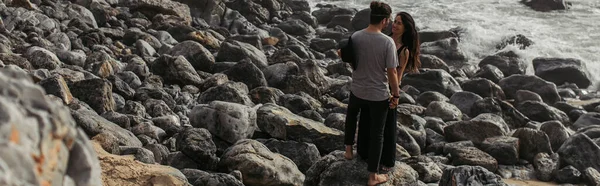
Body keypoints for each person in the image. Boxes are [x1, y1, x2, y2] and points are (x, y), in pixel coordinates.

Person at [354, 11, 423, 173]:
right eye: (395, 21)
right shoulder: (384, 40)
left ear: (406, 28)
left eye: (399, 23)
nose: (395, 25)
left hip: (387, 90)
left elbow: (398, 76)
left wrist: (394, 94)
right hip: (372, 84)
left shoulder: (404, 51)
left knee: (387, 127)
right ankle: (364, 153)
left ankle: (387, 161)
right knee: (365, 120)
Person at [342, 1, 400, 185]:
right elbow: (391, 72)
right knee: (377, 134)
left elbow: (347, 57)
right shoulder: (387, 42)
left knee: (351, 118)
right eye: (389, 20)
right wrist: (396, 95)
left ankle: (349, 150)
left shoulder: (356, 36)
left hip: (357, 90)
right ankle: (372, 176)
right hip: (377, 95)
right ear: (384, 21)